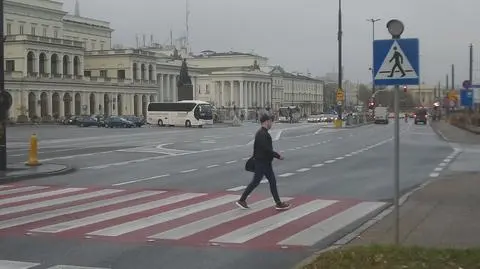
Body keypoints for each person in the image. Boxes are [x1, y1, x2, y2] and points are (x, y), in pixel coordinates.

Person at [236, 113, 291, 210]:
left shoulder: (262, 133)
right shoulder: (262, 134)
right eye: (270, 121)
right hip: (261, 162)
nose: (271, 124)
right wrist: (278, 156)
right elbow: (266, 149)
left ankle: (278, 203)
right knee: (256, 182)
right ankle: (242, 200)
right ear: (266, 122)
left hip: (264, 162)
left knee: (271, 182)